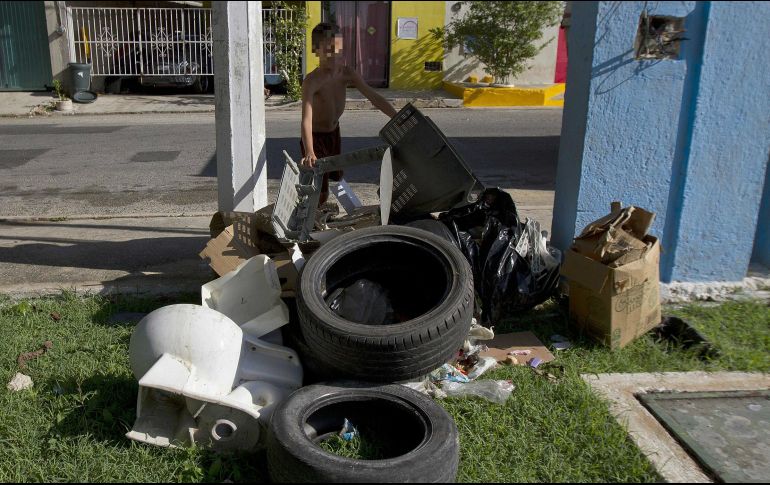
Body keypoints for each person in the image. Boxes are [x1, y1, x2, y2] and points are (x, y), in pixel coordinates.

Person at [300, 22, 397, 205]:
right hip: (315, 137)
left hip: (334, 133)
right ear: (316, 50)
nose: (335, 55)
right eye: (328, 50)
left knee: (336, 179)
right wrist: (309, 151)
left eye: (338, 49)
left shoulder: (347, 73)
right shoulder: (312, 81)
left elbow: (373, 96)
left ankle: (324, 214)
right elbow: (306, 120)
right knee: (319, 188)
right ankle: (312, 220)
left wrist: (396, 116)